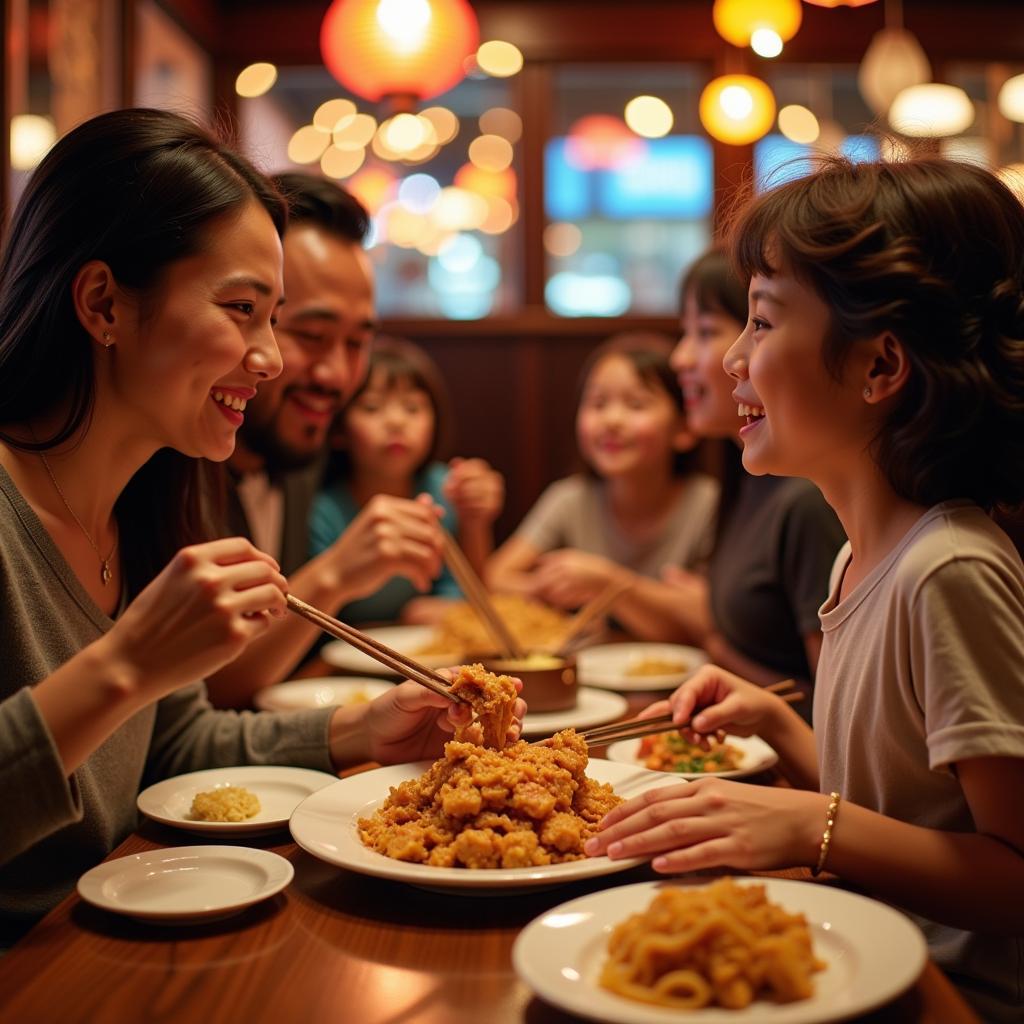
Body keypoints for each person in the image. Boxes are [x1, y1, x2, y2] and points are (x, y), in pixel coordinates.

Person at [0, 109, 523, 943]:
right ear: (103, 302)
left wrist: (358, 730)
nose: (272, 358)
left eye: (275, 318)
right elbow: (121, 703)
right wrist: (126, 663)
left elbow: (170, 748)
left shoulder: (146, 506)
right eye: (241, 309)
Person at [584, 155, 1024, 1021]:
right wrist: (781, 725)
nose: (735, 360)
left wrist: (807, 828)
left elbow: (1013, 875)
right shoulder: (861, 557)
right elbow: (906, 814)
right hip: (860, 957)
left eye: (759, 321)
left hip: (954, 995)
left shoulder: (951, 568)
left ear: (879, 365)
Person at [205, 174, 453, 705]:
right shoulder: (174, 467)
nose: (337, 374)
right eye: (312, 336)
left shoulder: (304, 459)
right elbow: (196, 697)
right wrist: (334, 573)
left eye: (358, 342)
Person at [666, 250, 845, 687]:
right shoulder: (743, 479)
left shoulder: (807, 501)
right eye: (684, 332)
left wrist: (716, 646)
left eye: (705, 331)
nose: (680, 359)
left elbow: (832, 719)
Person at [486, 333, 719, 639]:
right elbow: (495, 577)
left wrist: (608, 583)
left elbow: (703, 624)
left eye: (636, 404)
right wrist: (552, 592)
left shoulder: (708, 503)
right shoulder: (570, 498)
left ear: (685, 427)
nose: (612, 420)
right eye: (598, 403)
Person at [310, 337, 504, 624]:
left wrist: (476, 521)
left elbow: (470, 595)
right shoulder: (324, 510)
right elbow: (322, 613)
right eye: (372, 407)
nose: (396, 422)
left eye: (412, 408)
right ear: (339, 429)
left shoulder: (445, 488)